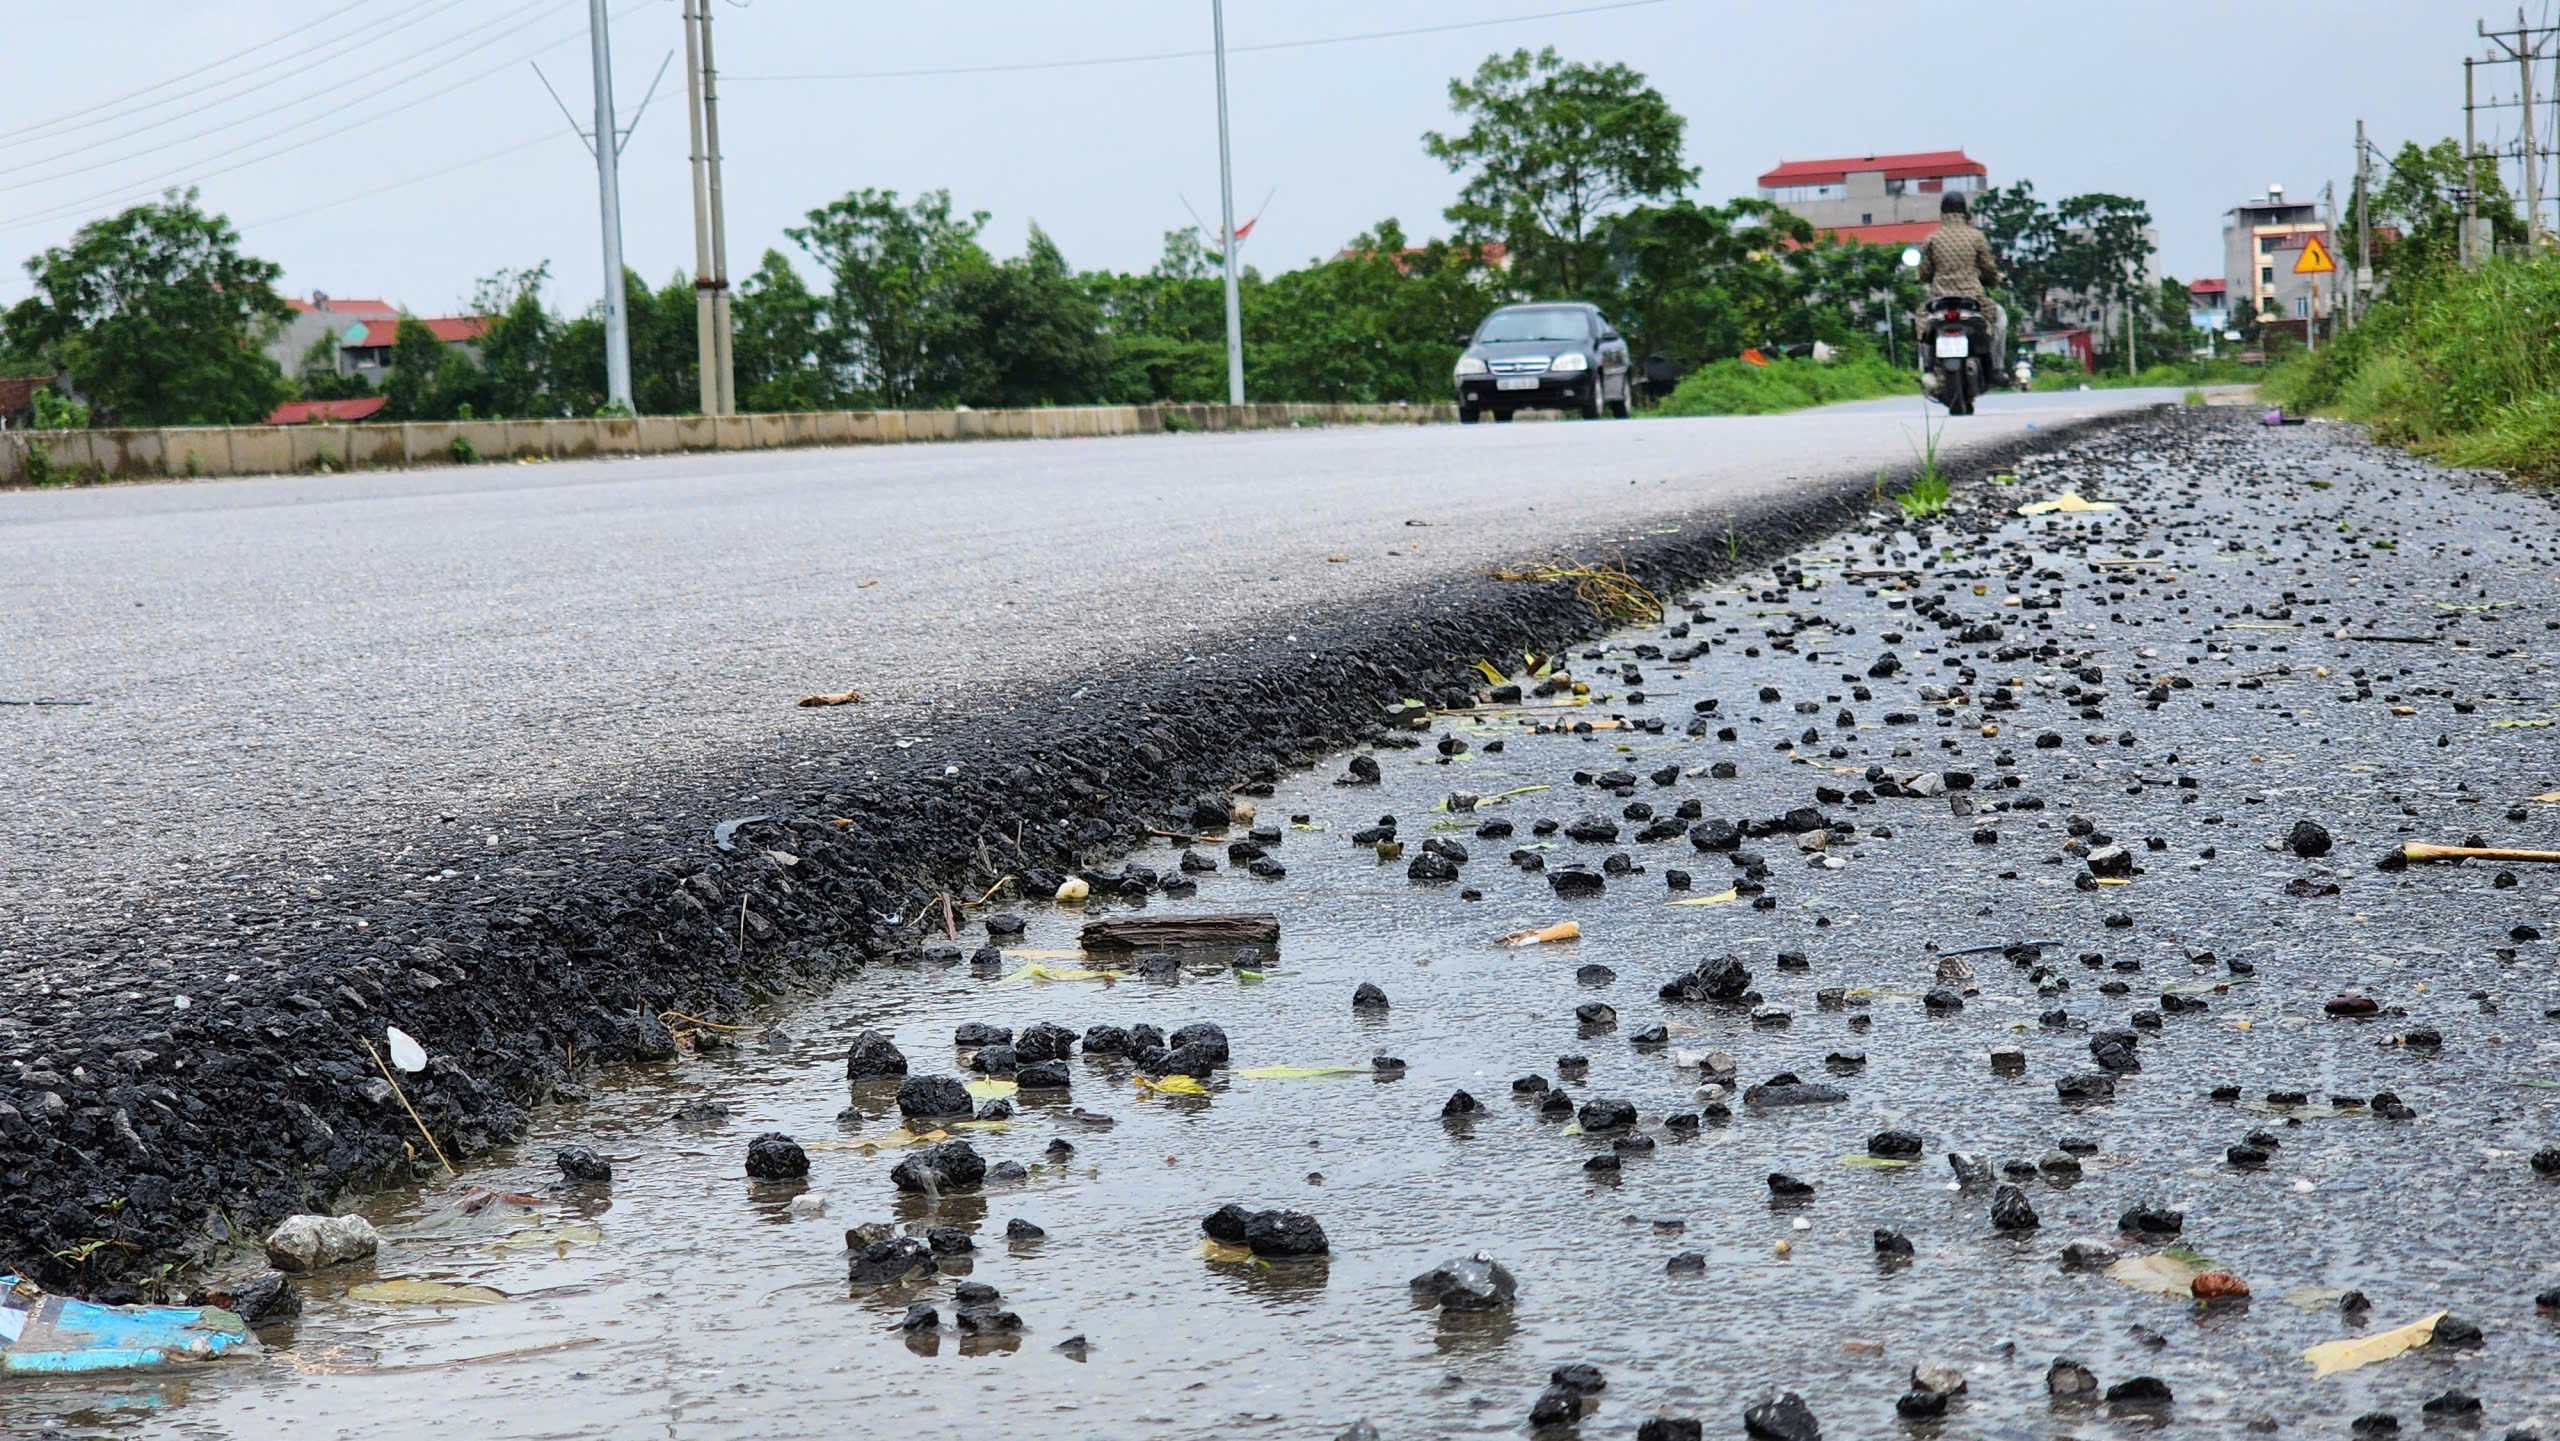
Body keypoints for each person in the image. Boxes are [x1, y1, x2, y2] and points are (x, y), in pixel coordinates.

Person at [1915, 191, 2013, 392]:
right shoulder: (1976, 236)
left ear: (1942, 212)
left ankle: (1927, 368)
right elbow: (1988, 269)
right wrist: (1993, 279)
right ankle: (1995, 368)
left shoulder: (1932, 238)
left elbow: (1924, 273)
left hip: (1940, 299)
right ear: (1964, 212)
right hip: (1972, 298)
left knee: (1923, 324)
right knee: (2000, 318)